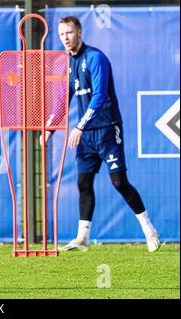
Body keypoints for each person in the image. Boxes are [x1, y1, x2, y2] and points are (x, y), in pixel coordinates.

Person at [40, 16, 160, 252]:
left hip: (107, 129)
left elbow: (100, 96)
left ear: (80, 32)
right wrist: (49, 128)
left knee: (119, 182)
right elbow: (64, 98)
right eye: (62, 33)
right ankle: (82, 238)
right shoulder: (68, 63)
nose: (65, 38)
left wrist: (79, 126)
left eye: (69, 33)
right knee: (83, 182)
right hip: (86, 135)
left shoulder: (96, 58)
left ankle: (149, 230)